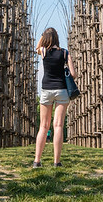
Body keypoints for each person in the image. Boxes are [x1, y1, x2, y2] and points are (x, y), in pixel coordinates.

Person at [33, 27, 77, 168]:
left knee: (43, 126)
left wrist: (44, 35)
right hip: (62, 91)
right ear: (57, 38)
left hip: (46, 90)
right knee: (58, 125)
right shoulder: (64, 53)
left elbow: (37, 47)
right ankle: (56, 162)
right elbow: (74, 74)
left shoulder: (44, 52)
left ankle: (37, 161)